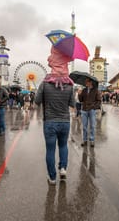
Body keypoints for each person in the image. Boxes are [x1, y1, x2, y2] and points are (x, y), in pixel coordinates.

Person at [35, 46, 75, 185]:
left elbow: (37, 101)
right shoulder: (70, 85)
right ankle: (63, 168)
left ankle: (52, 178)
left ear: (53, 64)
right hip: (65, 121)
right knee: (63, 146)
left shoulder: (45, 84)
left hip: (50, 122)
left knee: (50, 150)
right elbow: (72, 104)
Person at [78, 78, 102, 147]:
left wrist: (94, 107)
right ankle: (84, 140)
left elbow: (99, 101)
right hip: (84, 110)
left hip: (92, 110)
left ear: (90, 82)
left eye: (87, 82)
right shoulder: (84, 90)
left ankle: (92, 140)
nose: (85, 83)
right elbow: (80, 100)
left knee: (92, 126)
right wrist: (79, 94)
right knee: (84, 126)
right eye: (85, 82)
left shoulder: (96, 90)